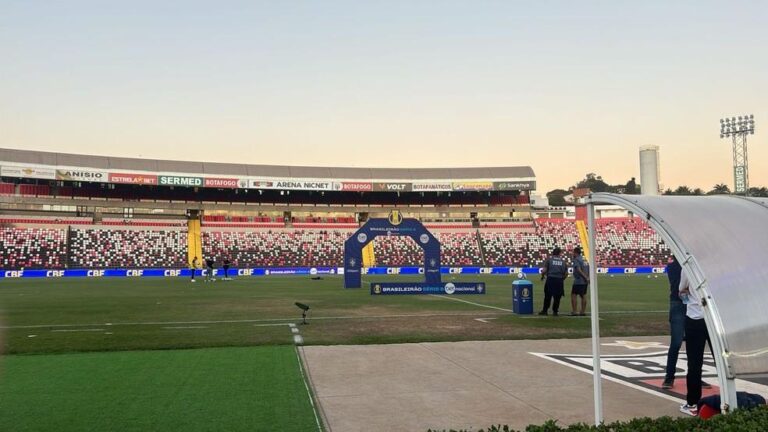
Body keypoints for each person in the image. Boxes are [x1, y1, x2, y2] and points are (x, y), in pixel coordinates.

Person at [679, 269, 709, 416]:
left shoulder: (688, 266)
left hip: (695, 318)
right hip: (714, 319)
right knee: (723, 360)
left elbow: (681, 290)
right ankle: (730, 399)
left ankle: (693, 403)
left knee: (695, 363)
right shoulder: (715, 263)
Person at [662, 255, 684, 389]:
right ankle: (669, 376)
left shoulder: (673, 266)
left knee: (694, 344)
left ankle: (695, 376)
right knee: (676, 343)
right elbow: (678, 286)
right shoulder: (674, 267)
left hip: (689, 305)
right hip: (679, 303)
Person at [539, 247, 568, 316]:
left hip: (551, 279)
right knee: (557, 297)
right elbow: (566, 273)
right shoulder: (563, 262)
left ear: (553, 253)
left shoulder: (549, 260)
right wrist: (562, 279)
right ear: (559, 253)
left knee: (548, 296)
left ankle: (545, 311)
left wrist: (542, 276)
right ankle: (555, 311)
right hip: (559, 280)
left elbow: (544, 270)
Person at [570, 247, 589, 316]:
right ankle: (582, 311)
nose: (572, 254)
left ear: (575, 253)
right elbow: (589, 269)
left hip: (579, 280)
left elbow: (578, 270)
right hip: (585, 281)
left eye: (573, 252)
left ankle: (575, 311)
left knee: (573, 295)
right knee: (583, 295)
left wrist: (585, 277)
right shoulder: (585, 260)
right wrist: (588, 278)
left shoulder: (576, 259)